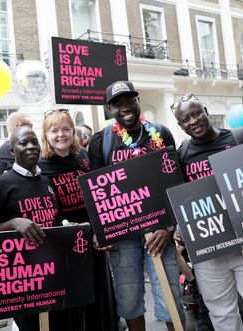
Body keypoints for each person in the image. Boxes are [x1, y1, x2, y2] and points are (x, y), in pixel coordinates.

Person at [172, 93, 243, 331]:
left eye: (196, 113)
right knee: (222, 315)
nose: (193, 121)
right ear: (180, 125)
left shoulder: (241, 138)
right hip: (209, 251)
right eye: (185, 119)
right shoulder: (183, 153)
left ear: (206, 110)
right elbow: (178, 196)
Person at [88, 80, 185, 331]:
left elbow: (174, 182)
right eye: (117, 104)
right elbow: (96, 193)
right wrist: (103, 231)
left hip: (159, 231)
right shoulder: (101, 142)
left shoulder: (160, 133)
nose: (125, 107)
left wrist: (169, 227)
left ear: (138, 100)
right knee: (128, 297)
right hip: (122, 234)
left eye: (129, 100)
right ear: (110, 110)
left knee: (170, 293)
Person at [38, 109, 117, 331]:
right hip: (65, 242)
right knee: (73, 305)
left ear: (73, 131)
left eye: (65, 129)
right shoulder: (41, 165)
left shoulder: (84, 156)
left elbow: (98, 194)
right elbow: (44, 208)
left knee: (99, 298)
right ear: (45, 135)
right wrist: (68, 228)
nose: (60, 135)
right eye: (54, 131)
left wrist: (97, 230)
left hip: (93, 238)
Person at [0, 127, 58, 331]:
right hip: (22, 276)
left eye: (34, 142)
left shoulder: (47, 182)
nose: (31, 147)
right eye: (23, 143)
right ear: (12, 151)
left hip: (52, 269)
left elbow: (55, 219)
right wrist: (14, 223)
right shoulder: (0, 185)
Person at [0, 111, 33, 176]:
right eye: (30, 126)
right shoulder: (11, 147)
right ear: (20, 126)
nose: (32, 130)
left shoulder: (7, 147)